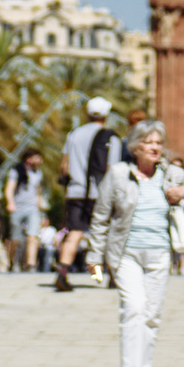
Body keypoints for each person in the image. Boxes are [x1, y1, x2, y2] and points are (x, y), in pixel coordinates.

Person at [87, 119, 184, 367]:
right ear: (136, 146)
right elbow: (101, 216)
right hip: (125, 253)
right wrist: (94, 259)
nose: (155, 148)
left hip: (160, 253)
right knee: (134, 308)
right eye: (149, 143)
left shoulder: (170, 173)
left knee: (151, 316)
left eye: (159, 143)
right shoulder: (117, 174)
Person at [56, 96, 122, 292]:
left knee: (74, 233)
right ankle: (106, 277)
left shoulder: (74, 134)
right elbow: (113, 169)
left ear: (87, 113)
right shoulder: (111, 137)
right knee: (105, 234)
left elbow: (64, 166)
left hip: (75, 192)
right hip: (101, 194)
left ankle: (63, 273)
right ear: (106, 115)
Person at [5, 149, 46, 273]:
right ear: (29, 159)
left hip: (32, 209)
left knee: (32, 236)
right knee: (15, 238)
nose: (40, 161)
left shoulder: (38, 173)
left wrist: (41, 211)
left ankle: (30, 264)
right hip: (17, 208)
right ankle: (11, 261)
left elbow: (38, 193)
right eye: (37, 157)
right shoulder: (16, 171)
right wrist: (10, 203)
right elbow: (9, 189)